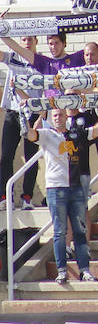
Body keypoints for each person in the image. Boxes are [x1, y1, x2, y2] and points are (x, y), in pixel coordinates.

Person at [26, 106, 98, 283]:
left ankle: (85, 270)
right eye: (55, 115)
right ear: (50, 118)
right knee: (60, 232)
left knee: (80, 231)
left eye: (60, 115)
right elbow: (30, 135)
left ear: (66, 117)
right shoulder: (46, 134)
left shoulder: (78, 133)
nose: (57, 118)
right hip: (55, 189)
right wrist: (23, 115)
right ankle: (62, 271)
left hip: (76, 189)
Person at [0, 36, 40, 210]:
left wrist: (41, 116)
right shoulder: (13, 57)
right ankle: (4, 197)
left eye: (30, 39)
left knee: (32, 158)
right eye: (24, 39)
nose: (27, 42)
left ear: (36, 41)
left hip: (33, 113)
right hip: (13, 112)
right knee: (6, 156)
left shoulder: (41, 62)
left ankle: (27, 197)